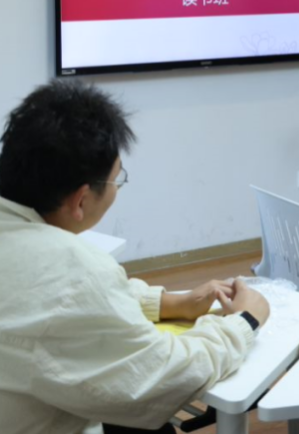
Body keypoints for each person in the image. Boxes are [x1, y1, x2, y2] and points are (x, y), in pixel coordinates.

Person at [0, 80, 270, 434]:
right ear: (81, 200)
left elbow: (57, 300)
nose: (117, 188)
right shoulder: (71, 268)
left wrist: (170, 303)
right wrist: (244, 322)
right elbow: (164, 376)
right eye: (117, 180)